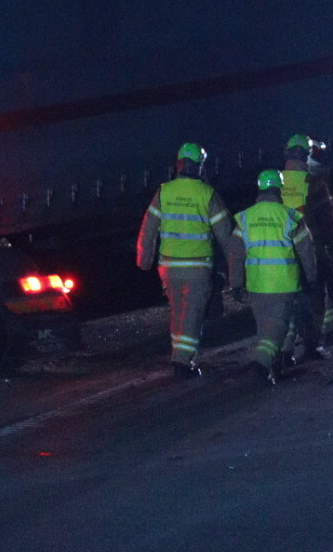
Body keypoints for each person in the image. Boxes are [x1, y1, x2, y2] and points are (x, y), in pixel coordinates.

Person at [136, 142, 233, 378]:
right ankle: (182, 362)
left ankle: (179, 356)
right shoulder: (207, 194)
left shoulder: (164, 192)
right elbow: (226, 235)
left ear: (178, 164)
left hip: (168, 268)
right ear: (200, 166)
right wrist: (237, 265)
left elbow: (148, 229)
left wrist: (144, 259)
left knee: (179, 312)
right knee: (193, 315)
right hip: (197, 268)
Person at [228, 169, 317, 386]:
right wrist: (311, 278)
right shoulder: (291, 217)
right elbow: (307, 250)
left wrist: (236, 284)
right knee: (277, 328)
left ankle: (275, 367)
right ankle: (261, 363)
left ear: (259, 189)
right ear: (280, 189)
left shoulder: (246, 218)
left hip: (257, 285)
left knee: (266, 328)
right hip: (282, 284)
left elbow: (235, 253)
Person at [281, 134, 333, 355]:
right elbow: (328, 221)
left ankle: (285, 351)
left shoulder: (276, 182)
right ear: (308, 155)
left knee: (287, 301)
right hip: (310, 249)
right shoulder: (314, 182)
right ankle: (314, 344)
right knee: (316, 295)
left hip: (280, 251)